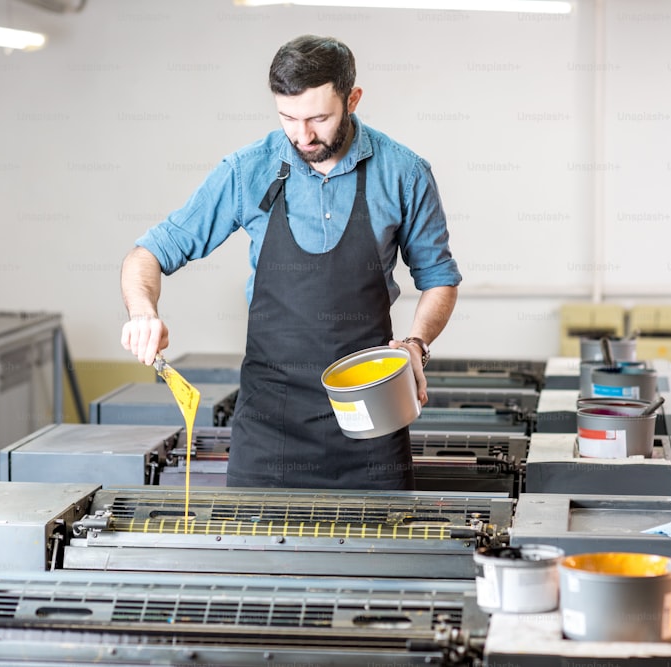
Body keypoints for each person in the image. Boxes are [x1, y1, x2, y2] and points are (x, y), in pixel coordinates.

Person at [120, 35, 461, 491]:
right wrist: (143, 313)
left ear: (352, 99)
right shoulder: (247, 170)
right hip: (269, 429)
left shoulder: (403, 172)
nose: (303, 136)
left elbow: (439, 279)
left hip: (371, 422)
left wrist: (416, 344)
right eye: (288, 118)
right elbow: (148, 254)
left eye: (319, 118)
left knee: (379, 559)